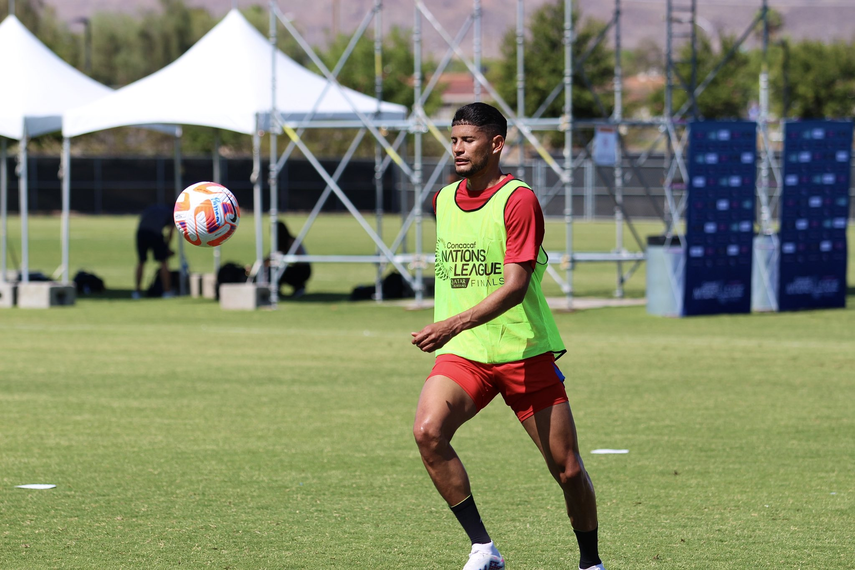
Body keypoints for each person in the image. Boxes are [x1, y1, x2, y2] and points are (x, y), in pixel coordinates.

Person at [411, 103, 605, 570]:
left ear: (496, 144)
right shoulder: (442, 199)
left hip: (523, 351)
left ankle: (590, 563)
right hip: (466, 354)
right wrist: (455, 332)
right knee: (428, 432)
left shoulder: (519, 200)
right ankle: (483, 547)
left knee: (568, 469)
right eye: (454, 139)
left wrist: (449, 323)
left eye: (468, 140)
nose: (457, 148)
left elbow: (516, 287)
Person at [133, 204, 175, 299]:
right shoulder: (172, 213)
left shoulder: (152, 208)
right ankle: (167, 292)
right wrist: (167, 247)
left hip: (141, 232)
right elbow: (171, 231)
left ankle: (137, 291)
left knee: (141, 261)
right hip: (155, 233)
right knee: (163, 262)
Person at [271, 220, 311, 298]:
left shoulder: (291, 241)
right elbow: (270, 256)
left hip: (303, 269)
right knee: (274, 269)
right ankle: (276, 288)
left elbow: (300, 261)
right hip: (295, 267)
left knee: (282, 271)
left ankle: (299, 287)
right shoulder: (280, 243)